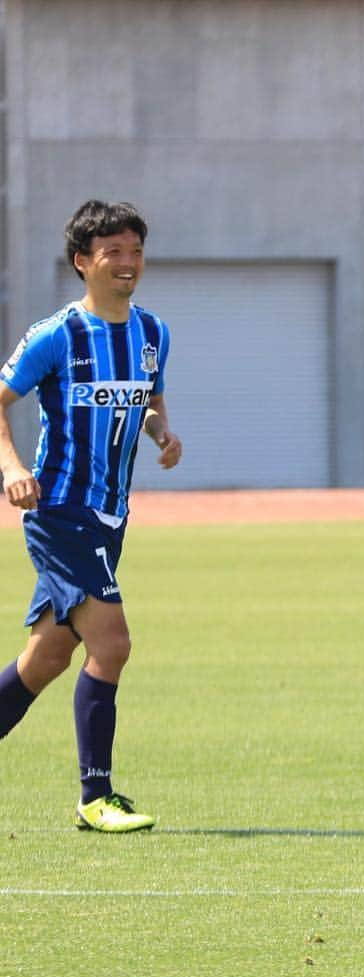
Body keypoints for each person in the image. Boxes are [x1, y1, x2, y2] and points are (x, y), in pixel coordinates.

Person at [0, 199, 182, 832]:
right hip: (60, 510)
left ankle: (95, 797)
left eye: (135, 250)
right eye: (113, 253)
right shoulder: (58, 335)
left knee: (45, 659)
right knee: (113, 643)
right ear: (83, 262)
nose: (127, 263)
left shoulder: (153, 332)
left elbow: (145, 400)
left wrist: (162, 432)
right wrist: (12, 468)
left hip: (111, 515)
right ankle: (96, 797)